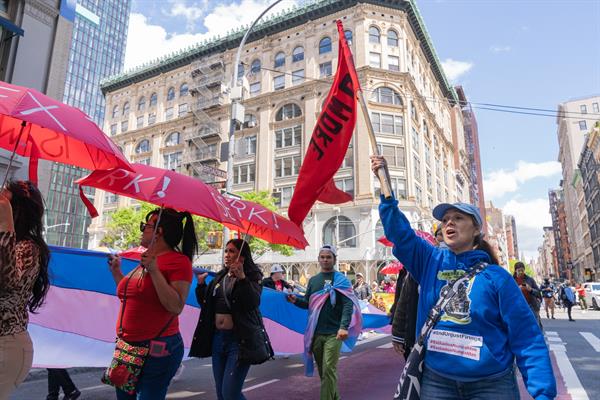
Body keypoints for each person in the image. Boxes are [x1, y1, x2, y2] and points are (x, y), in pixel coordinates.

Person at [371, 156, 556, 400]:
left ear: (476, 229)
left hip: (491, 385)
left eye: (458, 218)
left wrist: (542, 393)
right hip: (437, 382)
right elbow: (400, 233)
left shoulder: (497, 278)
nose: (449, 223)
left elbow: (526, 336)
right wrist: (385, 189)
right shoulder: (429, 261)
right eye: (445, 220)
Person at [107, 208, 197, 399]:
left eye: (145, 226)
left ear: (159, 231)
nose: (142, 230)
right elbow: (132, 297)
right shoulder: (146, 260)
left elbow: (176, 306)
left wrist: (154, 270)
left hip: (157, 348)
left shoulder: (178, 262)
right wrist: (116, 272)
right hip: (127, 347)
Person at [189, 239, 265, 400]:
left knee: (229, 393)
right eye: (226, 251)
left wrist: (242, 278)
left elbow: (253, 302)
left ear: (242, 257)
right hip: (218, 340)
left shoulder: (253, 276)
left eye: (232, 251)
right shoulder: (221, 276)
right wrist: (201, 285)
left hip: (238, 341)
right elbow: (207, 304)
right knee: (221, 393)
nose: (227, 255)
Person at [287, 245, 361, 400]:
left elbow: (348, 305)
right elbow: (308, 303)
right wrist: (295, 301)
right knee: (324, 372)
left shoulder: (342, 280)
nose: (325, 259)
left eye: (329, 257)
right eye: (322, 257)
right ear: (318, 259)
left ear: (334, 259)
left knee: (329, 369)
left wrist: (343, 327)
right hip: (316, 333)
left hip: (335, 333)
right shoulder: (313, 280)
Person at [0, 181, 50, 398]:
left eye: (4, 198)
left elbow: (7, 280)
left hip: (6, 346)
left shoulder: (27, 248)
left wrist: (5, 229)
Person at [513, 261, 543, 328]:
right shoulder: (511, 281)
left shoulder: (530, 279)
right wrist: (517, 289)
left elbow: (538, 292)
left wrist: (531, 289)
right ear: (515, 271)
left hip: (531, 305)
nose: (521, 272)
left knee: (536, 325)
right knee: (522, 327)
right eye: (519, 270)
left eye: (522, 270)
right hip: (518, 307)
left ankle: (538, 337)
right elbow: (508, 295)